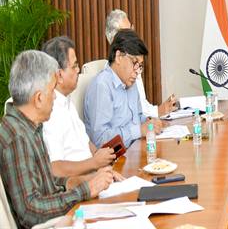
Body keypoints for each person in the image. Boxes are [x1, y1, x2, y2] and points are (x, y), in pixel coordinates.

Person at [0, 51, 115, 228]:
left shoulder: (30, 126)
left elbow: (45, 183)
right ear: (39, 98)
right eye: (52, 90)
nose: (54, 96)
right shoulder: (18, 137)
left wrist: (75, 182)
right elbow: (31, 212)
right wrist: (86, 190)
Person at [41, 36, 117, 177]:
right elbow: (56, 168)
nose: (78, 70)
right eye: (74, 66)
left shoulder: (67, 100)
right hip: (79, 184)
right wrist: (94, 163)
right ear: (59, 75)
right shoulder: (49, 111)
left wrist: (101, 160)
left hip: (95, 176)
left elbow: (85, 142)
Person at [84, 29, 162, 148]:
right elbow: (100, 140)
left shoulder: (130, 82)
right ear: (118, 56)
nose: (137, 71)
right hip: (116, 157)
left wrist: (149, 121)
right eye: (134, 63)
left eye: (140, 66)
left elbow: (138, 117)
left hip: (136, 149)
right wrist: (139, 130)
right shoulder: (102, 86)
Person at [105, 9, 177, 117]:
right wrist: (157, 112)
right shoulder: (106, 82)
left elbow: (140, 107)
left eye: (131, 28)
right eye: (127, 32)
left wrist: (158, 111)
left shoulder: (134, 66)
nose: (133, 34)